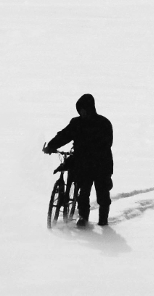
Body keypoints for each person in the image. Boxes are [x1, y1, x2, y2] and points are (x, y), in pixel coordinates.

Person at [43, 93, 113, 227]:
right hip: (85, 164)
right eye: (80, 110)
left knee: (103, 195)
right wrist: (51, 146)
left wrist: (88, 150)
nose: (82, 113)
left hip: (101, 165)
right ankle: (83, 218)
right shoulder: (76, 123)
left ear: (91, 108)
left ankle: (103, 221)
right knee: (83, 193)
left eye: (84, 109)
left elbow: (106, 144)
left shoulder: (103, 123)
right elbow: (64, 135)